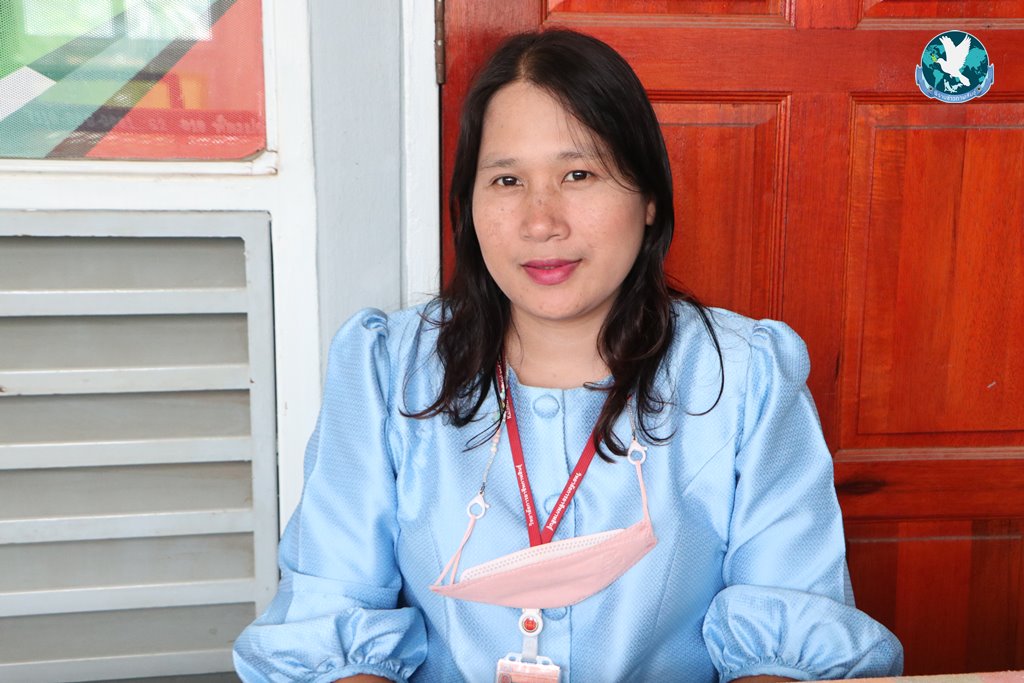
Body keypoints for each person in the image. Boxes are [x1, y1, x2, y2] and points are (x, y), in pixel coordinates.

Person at [233, 29, 903, 683]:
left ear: (648, 198)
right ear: (468, 205)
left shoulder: (744, 377)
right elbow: (333, 616)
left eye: (578, 174)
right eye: (506, 180)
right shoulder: (388, 371)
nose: (540, 222)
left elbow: (784, 641)